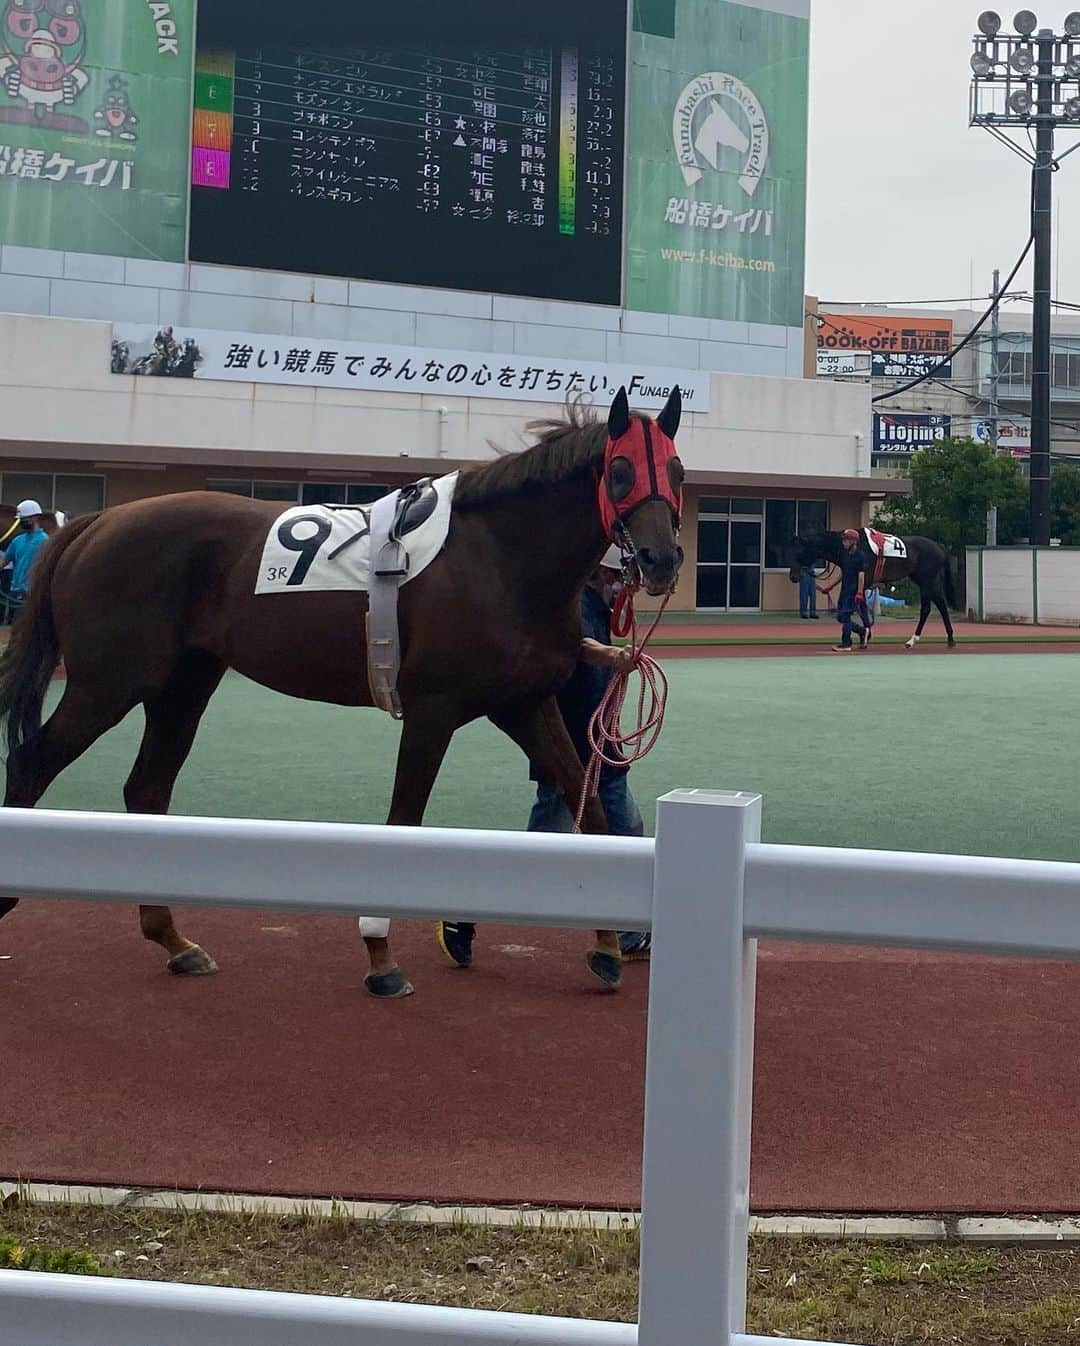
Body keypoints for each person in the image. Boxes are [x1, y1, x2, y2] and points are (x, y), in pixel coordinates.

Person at [436, 545, 651, 970]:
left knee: (627, 834)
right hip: (570, 758)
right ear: (605, 576)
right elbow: (576, 646)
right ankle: (462, 911)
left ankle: (628, 933)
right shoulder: (577, 605)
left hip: (598, 756)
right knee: (535, 856)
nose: (629, 587)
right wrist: (609, 656)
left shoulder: (589, 605)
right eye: (623, 579)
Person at [818, 528, 868, 652]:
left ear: (853, 541)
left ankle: (846, 643)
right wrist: (831, 586)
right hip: (844, 589)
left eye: (846, 540)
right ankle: (862, 631)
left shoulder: (860, 556)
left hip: (853, 590)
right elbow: (843, 573)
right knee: (841, 617)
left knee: (845, 615)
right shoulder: (844, 555)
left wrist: (860, 592)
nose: (843, 542)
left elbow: (861, 575)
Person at [0, 500, 49, 618]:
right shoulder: (17, 541)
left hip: (33, 593)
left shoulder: (45, 541)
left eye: (23, 519)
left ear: (35, 518)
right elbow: (4, 562)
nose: (21, 522)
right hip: (15, 592)